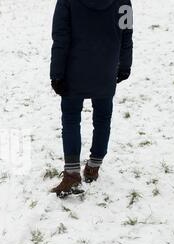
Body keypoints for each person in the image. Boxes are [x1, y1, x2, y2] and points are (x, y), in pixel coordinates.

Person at [49, 0, 133, 197]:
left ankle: (72, 175)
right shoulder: (123, 1)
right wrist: (125, 65)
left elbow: (60, 37)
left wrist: (57, 74)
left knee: (71, 119)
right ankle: (94, 167)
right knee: (103, 119)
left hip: (73, 72)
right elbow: (126, 33)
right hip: (106, 70)